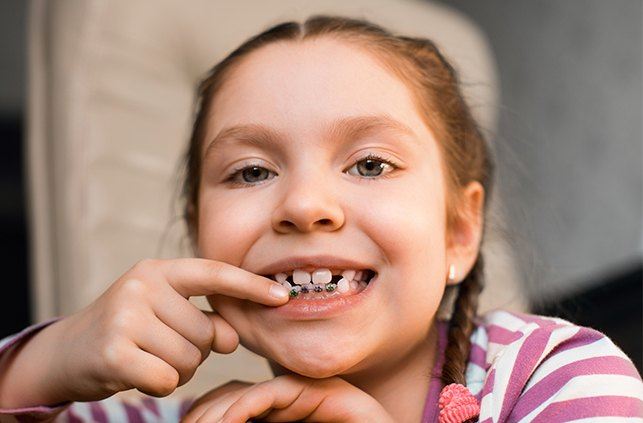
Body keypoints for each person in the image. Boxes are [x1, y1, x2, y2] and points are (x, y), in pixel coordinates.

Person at [0, 15, 641, 423]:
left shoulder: (559, 376)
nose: (305, 206)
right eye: (251, 172)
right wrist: (41, 363)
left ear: (459, 232)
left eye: (369, 165)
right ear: (200, 237)